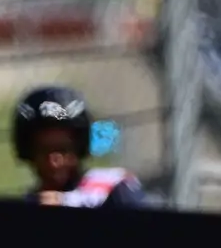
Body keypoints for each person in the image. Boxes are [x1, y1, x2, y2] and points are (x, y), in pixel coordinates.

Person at [13, 82, 149, 207]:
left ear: (79, 147)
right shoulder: (25, 208)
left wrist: (64, 202)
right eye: (43, 150)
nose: (54, 161)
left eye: (63, 150)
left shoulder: (113, 189)